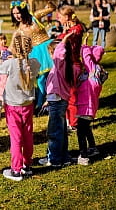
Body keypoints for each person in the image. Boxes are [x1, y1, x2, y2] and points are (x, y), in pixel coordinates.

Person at [0, 34, 40, 181]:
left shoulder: (10, 64)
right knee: (27, 135)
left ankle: (16, 169)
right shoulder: (35, 63)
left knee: (16, 139)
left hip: (12, 106)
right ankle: (27, 165)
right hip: (28, 105)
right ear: (30, 48)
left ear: (14, 48)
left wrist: (4, 59)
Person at [9, 0, 56, 112]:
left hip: (49, 49)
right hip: (35, 54)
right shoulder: (19, 30)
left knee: (53, 76)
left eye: (18, 12)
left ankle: (48, 102)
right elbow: (13, 46)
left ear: (23, 11)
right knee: (41, 79)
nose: (16, 16)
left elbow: (52, 7)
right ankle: (41, 105)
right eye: (14, 14)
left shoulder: (35, 17)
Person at [39, 32, 75, 167]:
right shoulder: (61, 67)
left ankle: (54, 159)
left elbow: (59, 54)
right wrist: (48, 99)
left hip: (58, 102)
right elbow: (55, 87)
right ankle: (63, 156)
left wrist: (63, 41)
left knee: (54, 132)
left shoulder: (60, 64)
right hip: (57, 100)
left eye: (50, 52)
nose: (50, 56)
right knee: (61, 130)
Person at [76, 32, 105, 165]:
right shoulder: (97, 71)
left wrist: (84, 44)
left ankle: (83, 155)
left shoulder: (91, 67)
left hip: (85, 106)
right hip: (90, 106)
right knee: (86, 128)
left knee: (81, 131)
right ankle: (93, 148)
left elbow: (86, 55)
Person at [57, 6, 85, 131]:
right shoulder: (70, 29)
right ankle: (70, 121)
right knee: (67, 94)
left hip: (73, 65)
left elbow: (65, 39)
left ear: (67, 17)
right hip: (68, 64)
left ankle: (74, 123)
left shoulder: (76, 29)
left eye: (60, 16)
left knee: (72, 95)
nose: (58, 18)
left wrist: (65, 33)